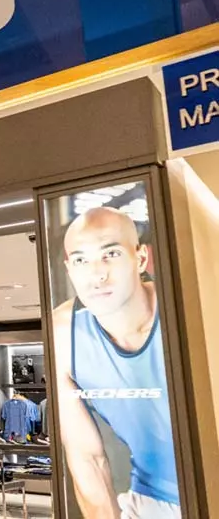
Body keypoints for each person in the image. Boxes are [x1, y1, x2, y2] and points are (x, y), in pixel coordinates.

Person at [52, 207, 180, 518]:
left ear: (140, 258)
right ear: (69, 269)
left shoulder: (184, 307)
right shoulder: (64, 332)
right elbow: (87, 459)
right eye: (81, 260)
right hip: (153, 500)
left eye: (110, 254)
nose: (97, 275)